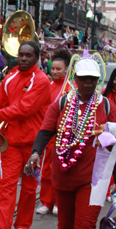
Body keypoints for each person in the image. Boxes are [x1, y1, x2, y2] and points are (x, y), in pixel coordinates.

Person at [25, 57, 116, 229]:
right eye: (83, 79)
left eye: (92, 79)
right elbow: (45, 132)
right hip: (63, 177)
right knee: (65, 227)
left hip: (93, 180)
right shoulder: (60, 104)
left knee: (85, 228)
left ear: (98, 80)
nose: (88, 83)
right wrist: (36, 153)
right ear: (75, 80)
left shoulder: (107, 107)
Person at [0, 41, 50, 229]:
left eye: (28, 55)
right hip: (11, 142)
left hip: (34, 144)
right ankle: (0, 228)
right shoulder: (10, 77)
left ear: (36, 58)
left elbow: (25, 109)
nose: (23, 58)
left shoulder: (41, 80)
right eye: (21, 54)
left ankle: (23, 225)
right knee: (7, 184)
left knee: (30, 187)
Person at [37, 50, 72, 215]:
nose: (56, 72)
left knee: (61, 170)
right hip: (49, 135)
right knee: (46, 170)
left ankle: (59, 202)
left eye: (59, 69)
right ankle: (46, 201)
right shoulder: (48, 86)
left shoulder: (72, 89)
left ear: (67, 70)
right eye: (54, 69)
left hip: (65, 136)